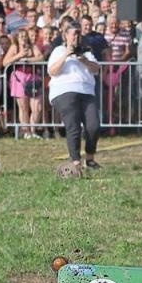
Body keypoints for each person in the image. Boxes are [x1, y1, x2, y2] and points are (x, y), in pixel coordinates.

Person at [47, 21, 101, 175]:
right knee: (73, 125)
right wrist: (66, 55)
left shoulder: (87, 52)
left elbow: (96, 69)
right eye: (73, 33)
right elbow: (52, 71)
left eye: (79, 33)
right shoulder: (58, 50)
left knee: (93, 125)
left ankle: (89, 158)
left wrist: (84, 60)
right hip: (64, 90)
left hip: (86, 91)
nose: (76, 37)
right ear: (66, 36)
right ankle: (75, 162)